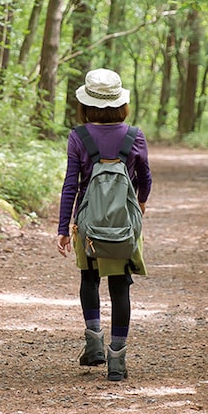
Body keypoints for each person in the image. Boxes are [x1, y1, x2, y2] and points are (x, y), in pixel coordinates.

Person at [56, 68, 152, 381]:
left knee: (89, 278)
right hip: (123, 221)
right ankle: (118, 361)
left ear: (86, 103)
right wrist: (140, 202)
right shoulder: (134, 135)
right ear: (120, 102)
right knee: (120, 284)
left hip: (87, 221)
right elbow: (145, 178)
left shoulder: (78, 136)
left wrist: (63, 227)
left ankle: (93, 343)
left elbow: (71, 183)